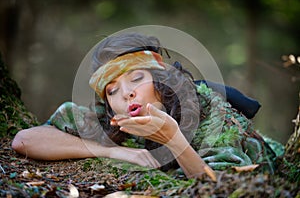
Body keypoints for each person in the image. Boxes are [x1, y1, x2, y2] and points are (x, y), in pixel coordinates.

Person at [12, 32, 282, 181]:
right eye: (112, 90)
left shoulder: (211, 111)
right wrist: (114, 151)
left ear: (162, 80)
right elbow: (24, 141)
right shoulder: (110, 120)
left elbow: (221, 186)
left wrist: (175, 141)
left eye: (137, 78)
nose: (126, 94)